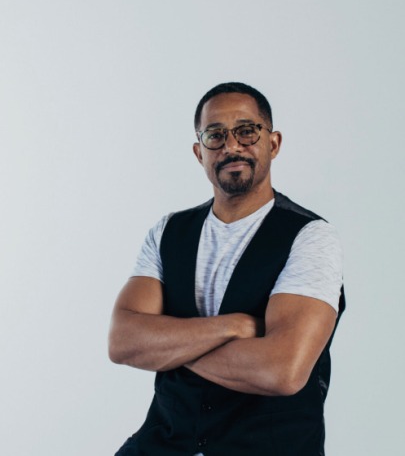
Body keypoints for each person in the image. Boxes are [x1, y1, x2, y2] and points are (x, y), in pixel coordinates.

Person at [108, 82, 345, 456]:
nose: (231, 146)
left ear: (273, 143)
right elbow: (123, 342)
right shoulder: (168, 232)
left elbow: (282, 371)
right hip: (162, 445)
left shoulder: (310, 237)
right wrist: (233, 326)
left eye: (247, 131)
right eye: (215, 135)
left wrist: (167, 347)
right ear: (199, 152)